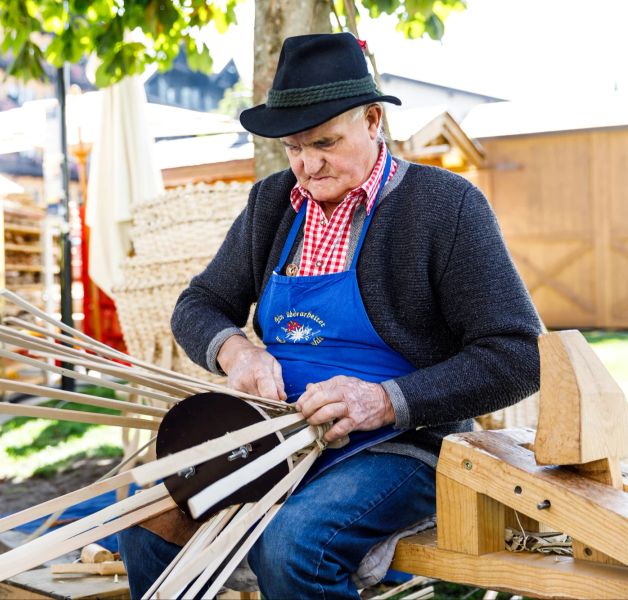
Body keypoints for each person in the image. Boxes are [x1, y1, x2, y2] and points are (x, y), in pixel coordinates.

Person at [118, 32, 543, 598]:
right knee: (150, 517)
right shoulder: (272, 203)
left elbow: (516, 354)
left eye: (324, 142)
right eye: (293, 148)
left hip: (403, 440)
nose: (307, 165)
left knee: (297, 543)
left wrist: (385, 400)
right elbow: (199, 304)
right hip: (275, 436)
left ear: (372, 121)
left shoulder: (445, 205)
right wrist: (235, 349)